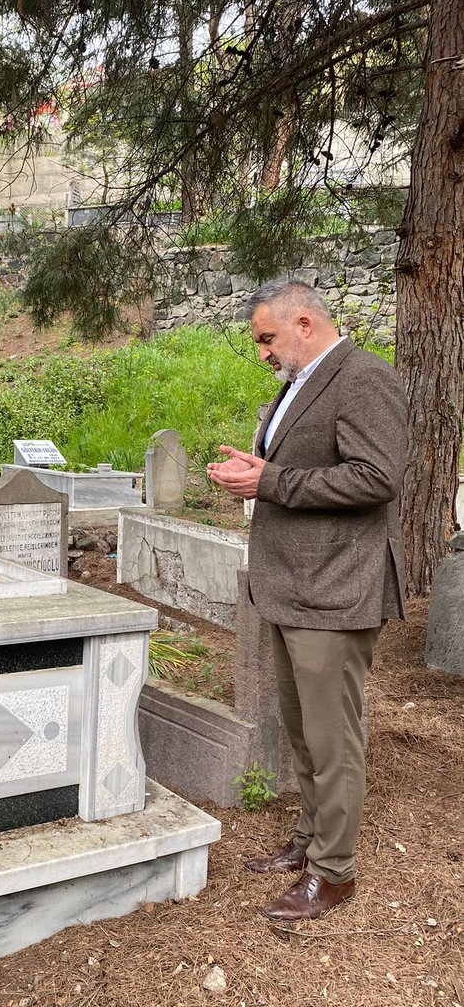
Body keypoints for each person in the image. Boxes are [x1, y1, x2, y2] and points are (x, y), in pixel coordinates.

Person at [207, 279, 407, 922]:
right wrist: (257, 468)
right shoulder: (297, 383)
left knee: (332, 737)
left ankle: (335, 870)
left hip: (335, 587)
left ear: (303, 323)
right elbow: (296, 471)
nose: (262, 352)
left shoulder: (363, 378)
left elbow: (378, 478)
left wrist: (274, 479)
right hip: (293, 586)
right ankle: (309, 840)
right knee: (301, 732)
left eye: (267, 338)